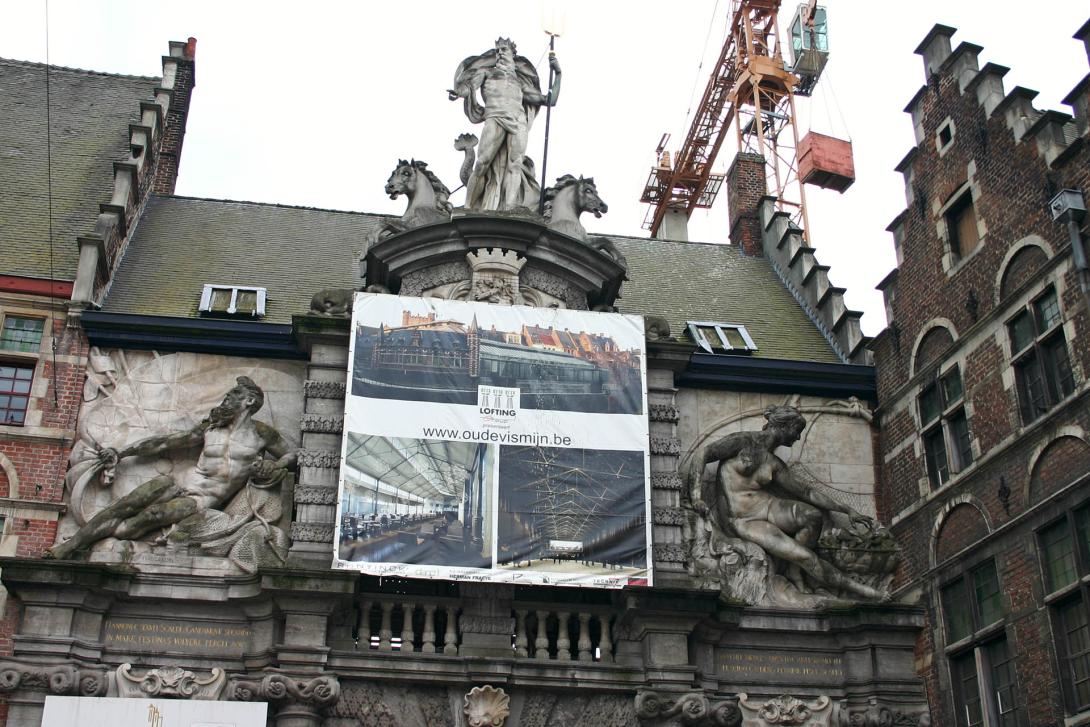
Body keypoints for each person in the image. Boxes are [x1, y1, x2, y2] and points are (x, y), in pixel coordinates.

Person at [47, 377, 296, 559]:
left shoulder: (261, 434)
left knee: (150, 516)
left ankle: (111, 537)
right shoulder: (212, 428)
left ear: (249, 401)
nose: (227, 398)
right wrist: (121, 452)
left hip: (201, 499)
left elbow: (292, 454)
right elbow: (166, 442)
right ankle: (72, 545)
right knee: (125, 504)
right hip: (179, 481)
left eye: (234, 395)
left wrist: (274, 465)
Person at [690, 405, 888, 601]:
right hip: (743, 519)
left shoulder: (774, 463)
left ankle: (794, 569)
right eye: (797, 430)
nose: (798, 437)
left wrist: (847, 510)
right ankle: (865, 592)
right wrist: (696, 496)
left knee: (812, 515)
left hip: (767, 506)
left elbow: (806, 492)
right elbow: (703, 454)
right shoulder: (742, 441)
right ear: (784, 426)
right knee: (805, 556)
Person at [448, 37, 561, 211]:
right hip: (495, 117)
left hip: (518, 121)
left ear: (512, 54)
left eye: (504, 50)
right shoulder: (487, 73)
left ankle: (509, 208)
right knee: (482, 163)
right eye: (498, 50)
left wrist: (558, 74)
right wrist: (458, 92)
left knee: (515, 164)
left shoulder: (520, 82)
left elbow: (549, 100)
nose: (500, 53)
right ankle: (468, 207)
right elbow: (469, 87)